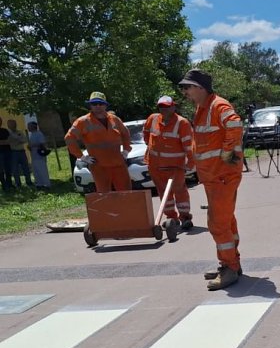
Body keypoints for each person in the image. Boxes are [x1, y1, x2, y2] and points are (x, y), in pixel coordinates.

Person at [179, 69, 244, 290]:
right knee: (226, 221)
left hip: (221, 176)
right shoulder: (203, 107)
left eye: (187, 87)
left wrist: (227, 154)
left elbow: (235, 125)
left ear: (200, 88)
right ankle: (232, 263)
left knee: (218, 223)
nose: (185, 91)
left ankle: (229, 267)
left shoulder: (218, 105)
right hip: (213, 176)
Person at [143, 95, 195, 229]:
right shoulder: (153, 119)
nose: (164, 109)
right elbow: (146, 135)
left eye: (167, 107)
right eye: (161, 107)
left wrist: (190, 162)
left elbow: (189, 145)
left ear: (173, 107)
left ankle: (185, 217)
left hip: (175, 166)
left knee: (179, 191)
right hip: (155, 165)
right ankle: (171, 217)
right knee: (163, 193)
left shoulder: (182, 123)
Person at [65, 92, 132, 193]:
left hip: (118, 164)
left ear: (105, 105)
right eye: (94, 104)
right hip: (99, 166)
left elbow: (125, 133)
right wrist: (82, 157)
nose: (97, 106)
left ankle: (125, 209)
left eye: (100, 103)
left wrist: (126, 150)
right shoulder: (82, 121)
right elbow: (69, 138)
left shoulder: (114, 119)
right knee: (104, 195)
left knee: (126, 193)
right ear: (90, 106)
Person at [7, 119, 33, 189]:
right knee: (15, 169)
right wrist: (18, 140)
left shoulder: (20, 132)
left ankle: (29, 181)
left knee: (26, 167)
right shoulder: (8, 133)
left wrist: (17, 140)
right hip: (13, 152)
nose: (14, 125)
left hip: (22, 151)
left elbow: (24, 140)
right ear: (8, 125)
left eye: (15, 124)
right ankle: (18, 183)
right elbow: (9, 141)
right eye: (12, 124)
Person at [27, 121, 51, 189]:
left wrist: (32, 145)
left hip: (39, 155)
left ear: (33, 126)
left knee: (42, 170)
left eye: (29, 126)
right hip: (34, 155)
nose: (28, 127)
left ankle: (46, 184)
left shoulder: (39, 134)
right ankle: (39, 184)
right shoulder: (32, 134)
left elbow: (42, 143)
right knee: (36, 170)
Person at [0, 117, 10, 192]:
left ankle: (9, 183)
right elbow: (6, 141)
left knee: (8, 168)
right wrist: (4, 142)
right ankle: (4, 185)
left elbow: (9, 141)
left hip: (7, 151)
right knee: (1, 170)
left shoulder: (5, 130)